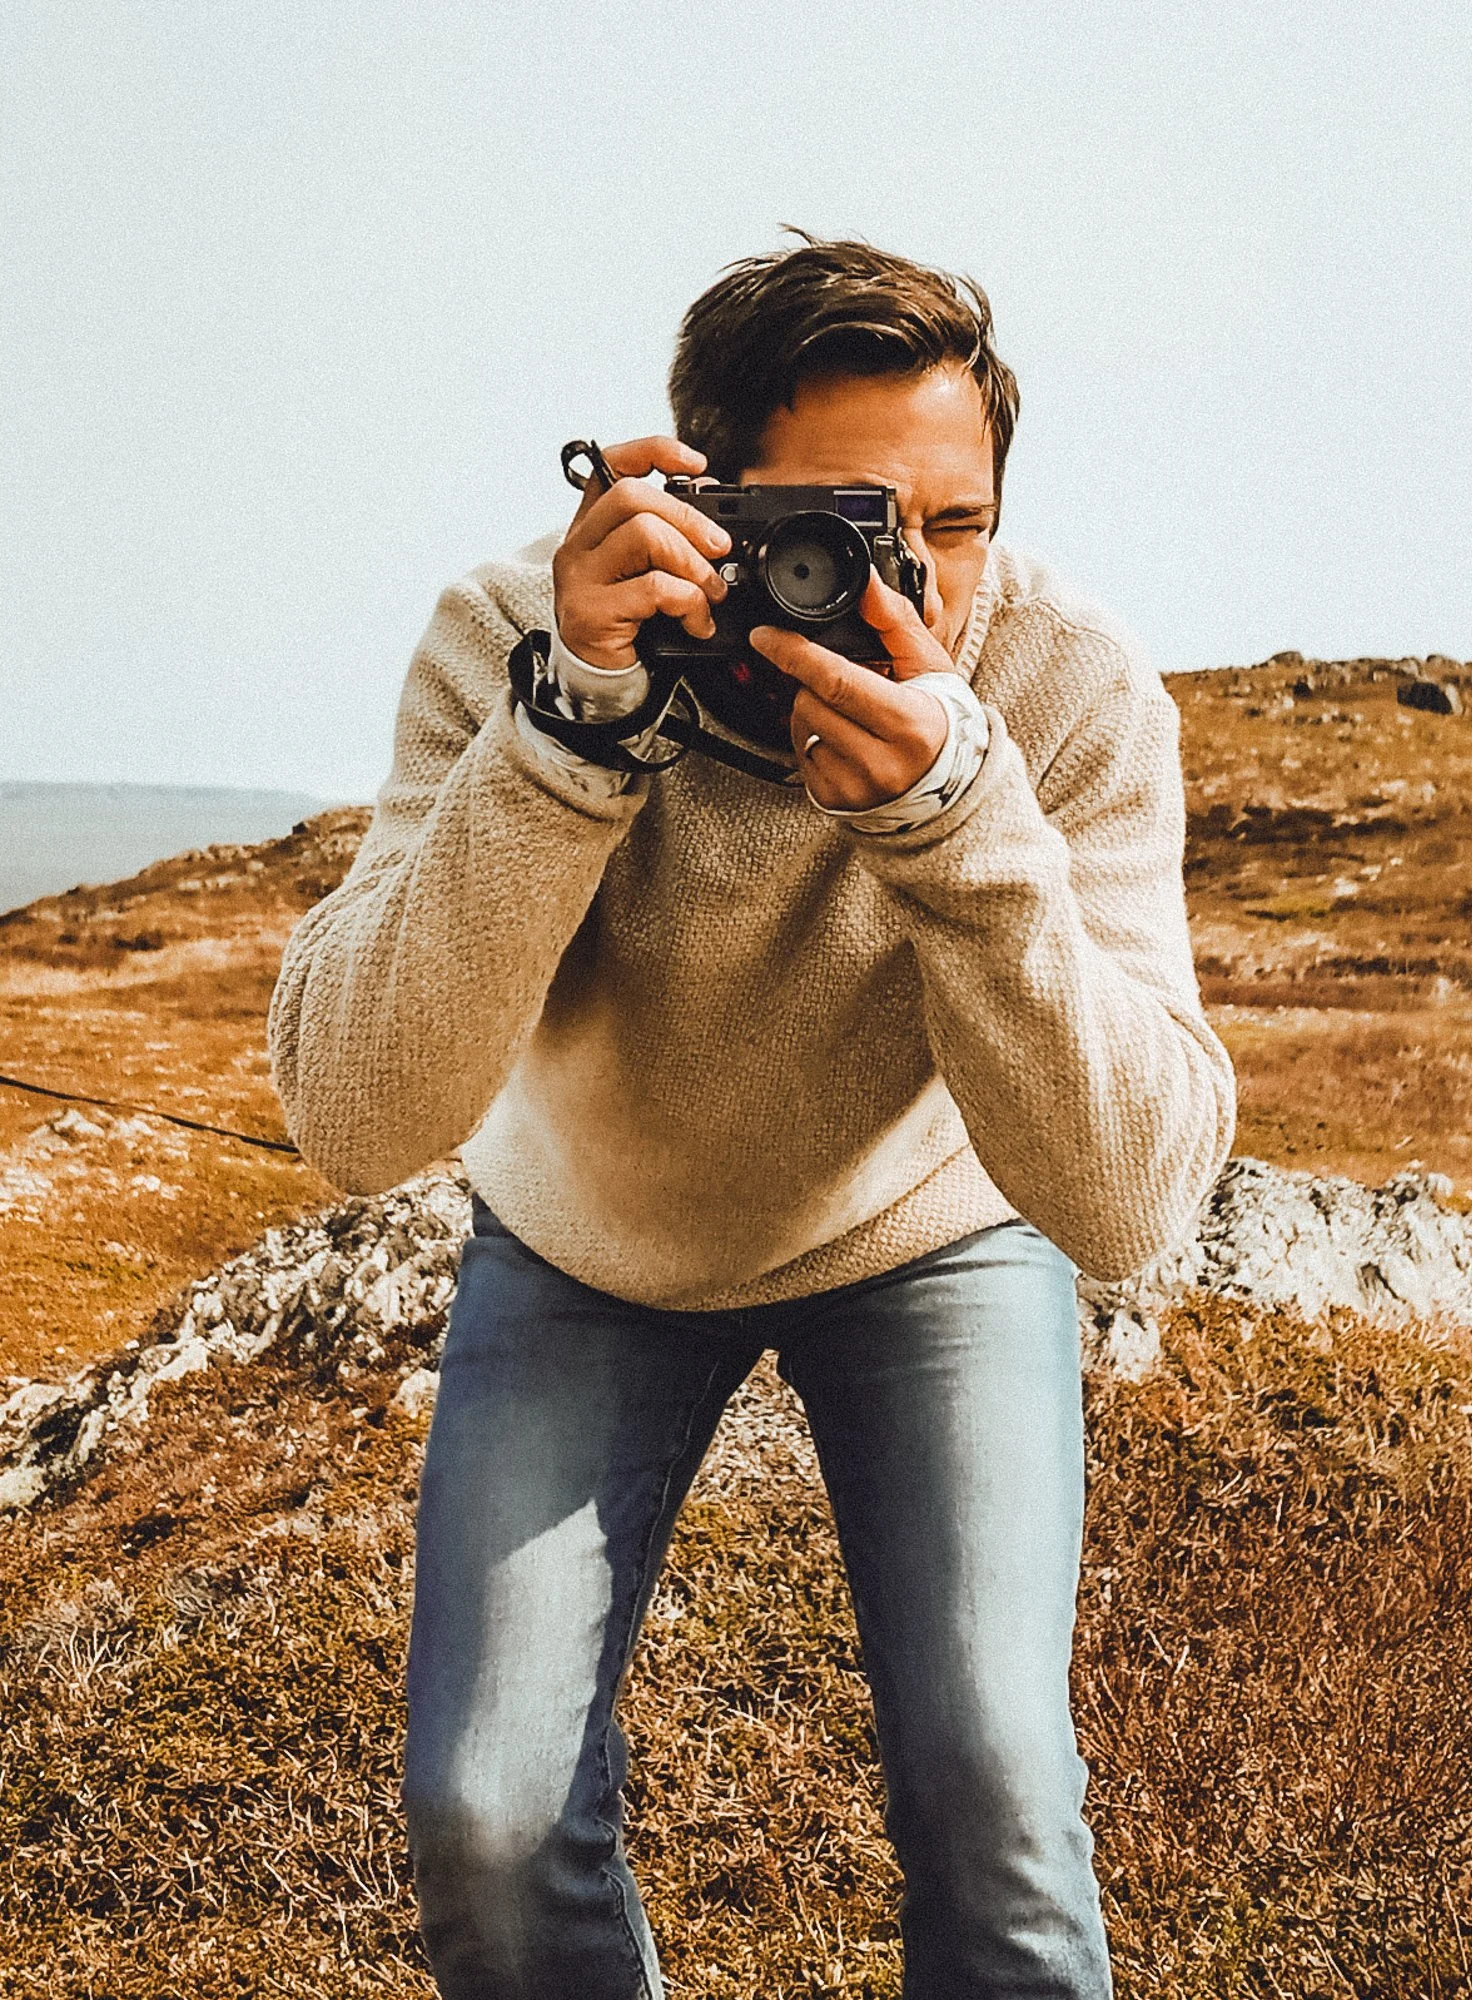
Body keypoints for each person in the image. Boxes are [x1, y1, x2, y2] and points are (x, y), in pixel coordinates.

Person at [269, 234, 1236, 2000]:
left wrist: (961, 823)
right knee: (485, 1819)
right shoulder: (516, 639)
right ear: (700, 491)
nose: (909, 589)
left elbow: (1135, 1204)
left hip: (931, 1228)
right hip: (588, 1239)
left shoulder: (1067, 682)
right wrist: (568, 734)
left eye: (954, 526)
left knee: (1000, 1794)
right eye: (846, 524)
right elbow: (349, 1109)